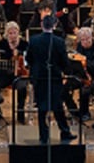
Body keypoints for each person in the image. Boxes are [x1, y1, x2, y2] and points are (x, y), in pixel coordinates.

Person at [25, 15, 76, 143]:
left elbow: (29, 58)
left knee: (42, 106)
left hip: (38, 77)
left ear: (42, 26)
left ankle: (43, 136)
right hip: (54, 76)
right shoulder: (59, 41)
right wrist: (65, 72)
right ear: (54, 26)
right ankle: (65, 131)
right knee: (57, 105)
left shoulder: (33, 40)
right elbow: (64, 61)